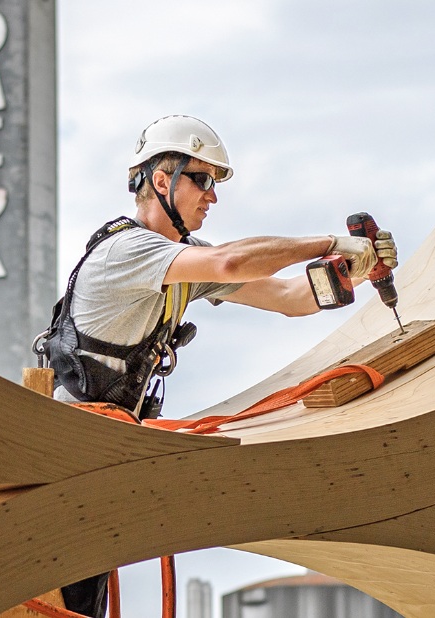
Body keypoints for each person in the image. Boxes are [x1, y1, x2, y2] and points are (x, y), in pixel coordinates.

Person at [39, 115, 397, 617]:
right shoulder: (126, 250)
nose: (212, 195)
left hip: (103, 453)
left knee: (85, 599)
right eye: (201, 179)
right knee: (64, 601)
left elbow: (288, 298)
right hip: (67, 454)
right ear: (160, 181)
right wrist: (329, 245)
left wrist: (353, 275)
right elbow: (231, 262)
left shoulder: (185, 259)